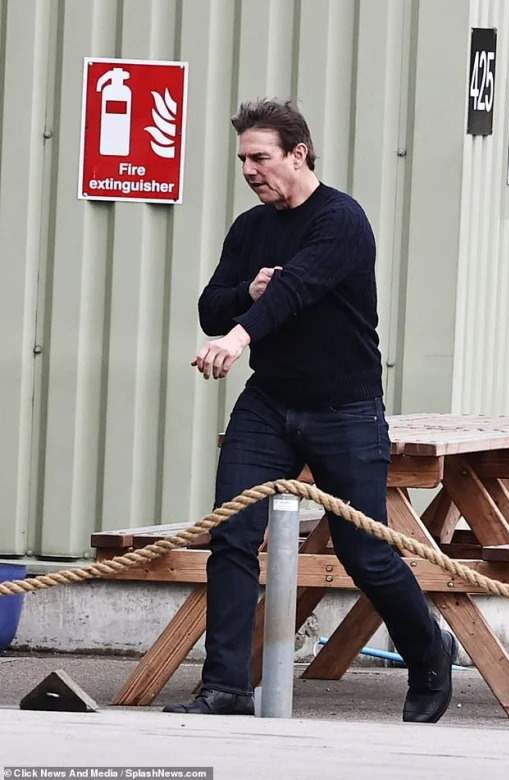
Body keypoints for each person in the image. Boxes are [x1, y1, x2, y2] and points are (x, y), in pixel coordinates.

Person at [164, 99, 457, 722]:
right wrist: (245, 293)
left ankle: (429, 653)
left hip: (344, 408)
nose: (250, 170)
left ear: (298, 154)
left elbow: (294, 291)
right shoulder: (250, 228)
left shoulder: (341, 220)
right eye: (243, 159)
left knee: (364, 550)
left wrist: (240, 336)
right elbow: (211, 307)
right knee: (232, 536)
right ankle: (225, 687)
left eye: (260, 157)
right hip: (269, 404)